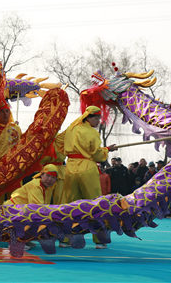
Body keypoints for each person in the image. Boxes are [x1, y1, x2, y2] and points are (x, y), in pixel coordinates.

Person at [61, 105, 116, 248]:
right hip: (87, 168)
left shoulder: (71, 129)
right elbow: (97, 154)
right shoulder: (92, 133)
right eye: (97, 118)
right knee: (94, 204)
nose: (98, 121)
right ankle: (100, 240)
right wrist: (106, 151)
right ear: (89, 118)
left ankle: (65, 239)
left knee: (68, 204)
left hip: (70, 167)